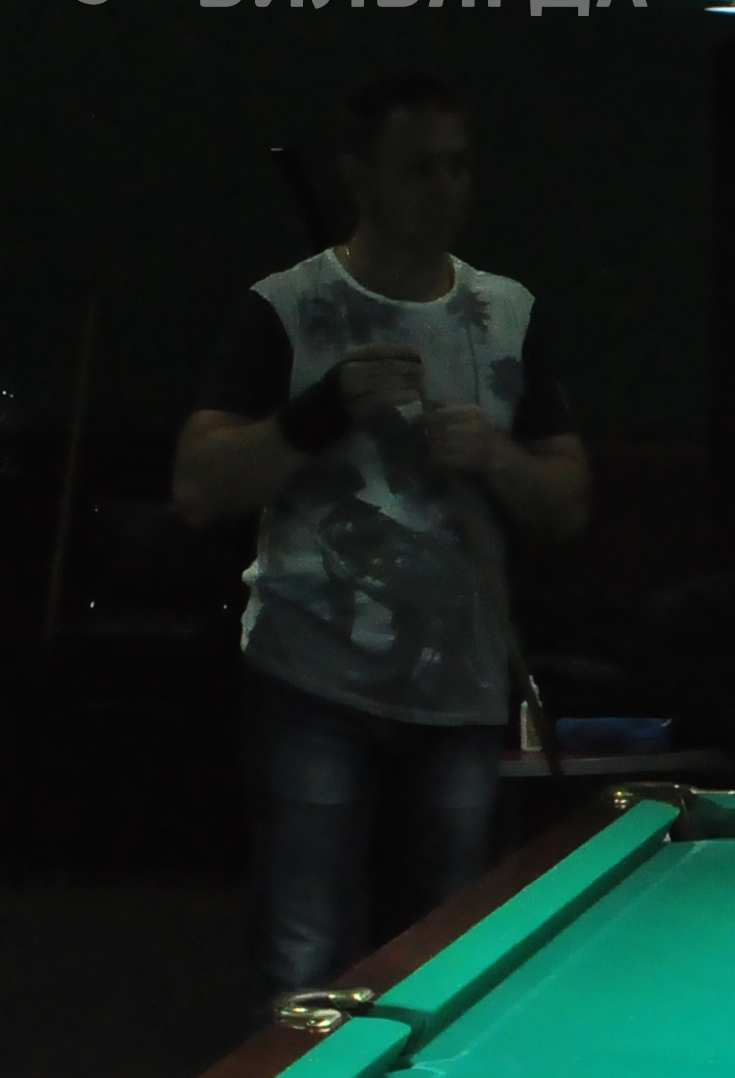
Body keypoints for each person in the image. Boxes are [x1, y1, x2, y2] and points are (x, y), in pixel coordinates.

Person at [175, 70, 590, 999]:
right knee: (305, 952)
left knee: (447, 952)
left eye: (458, 167)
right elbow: (198, 487)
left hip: (462, 686)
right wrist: (314, 417)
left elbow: (567, 504)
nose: (445, 191)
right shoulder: (285, 307)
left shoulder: (510, 314)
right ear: (359, 179)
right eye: (418, 170)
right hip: (309, 678)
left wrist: (494, 455)